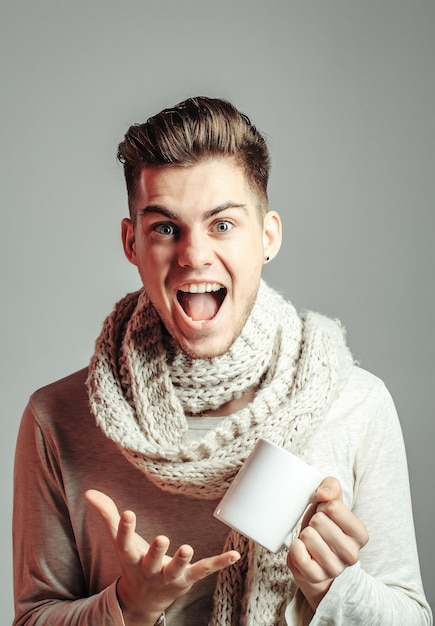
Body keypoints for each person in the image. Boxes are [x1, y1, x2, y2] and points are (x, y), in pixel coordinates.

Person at [13, 96, 432, 626]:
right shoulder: (57, 418)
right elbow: (32, 617)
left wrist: (333, 588)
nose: (194, 254)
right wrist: (129, 606)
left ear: (267, 236)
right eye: (165, 227)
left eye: (223, 225)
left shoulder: (356, 403)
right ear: (131, 243)